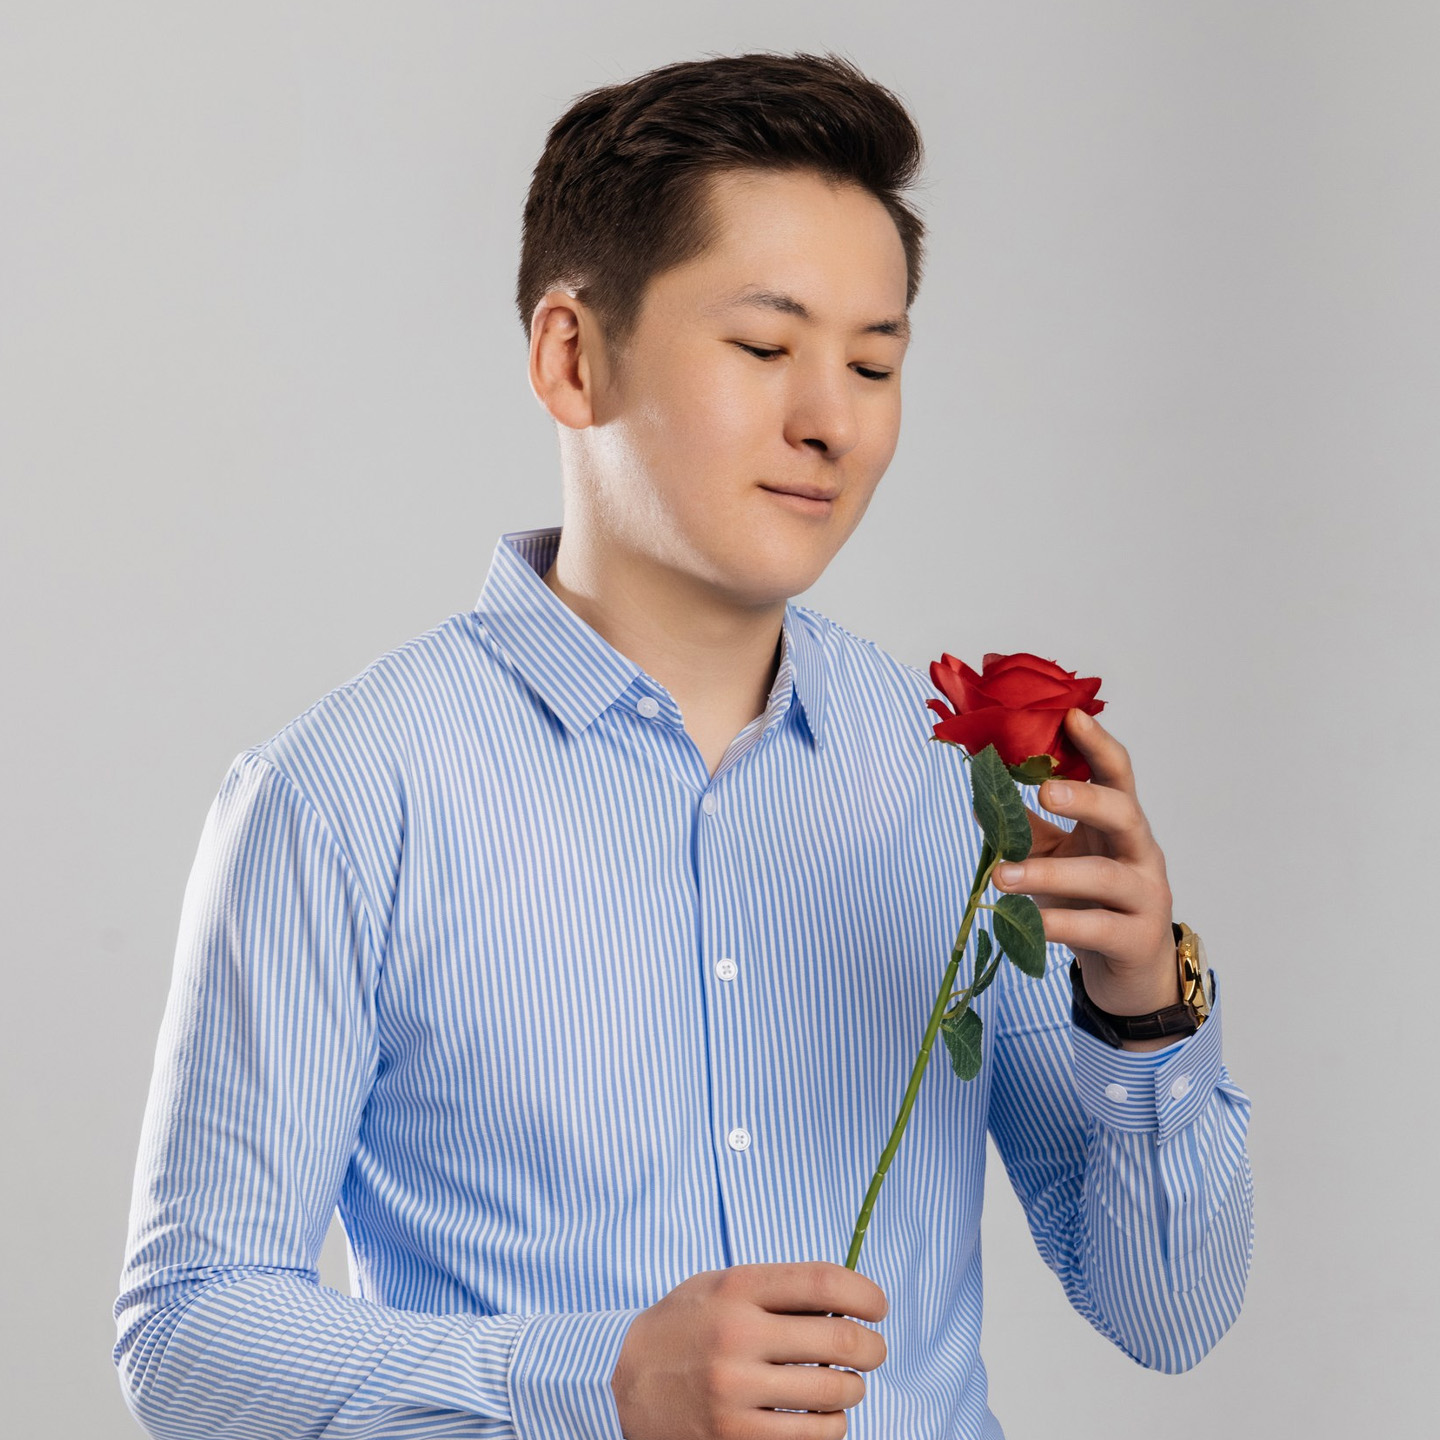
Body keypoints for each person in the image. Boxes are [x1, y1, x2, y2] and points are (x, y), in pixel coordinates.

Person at [113, 50, 1253, 1440]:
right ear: (572, 357)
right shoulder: (347, 794)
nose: (830, 422)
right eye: (766, 349)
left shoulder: (945, 783)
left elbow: (1169, 1315)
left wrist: (1143, 1012)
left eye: (874, 363)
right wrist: (594, 1380)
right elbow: (189, 1336)